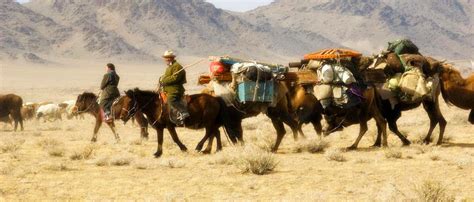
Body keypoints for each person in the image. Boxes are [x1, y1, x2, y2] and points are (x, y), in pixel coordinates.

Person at [159, 50, 189, 126]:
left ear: (172, 58)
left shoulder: (177, 66)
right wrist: (162, 79)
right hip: (168, 89)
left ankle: (183, 112)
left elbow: (175, 78)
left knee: (171, 99)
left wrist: (164, 80)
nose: (167, 59)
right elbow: (167, 77)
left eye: (168, 57)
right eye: (166, 58)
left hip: (175, 89)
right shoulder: (170, 67)